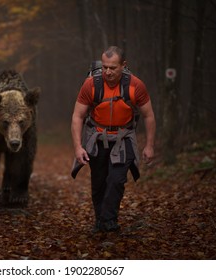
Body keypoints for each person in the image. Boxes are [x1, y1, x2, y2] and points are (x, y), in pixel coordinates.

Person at [71, 46, 156, 233]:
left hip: (123, 138)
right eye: (105, 67)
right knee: (99, 181)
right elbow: (77, 116)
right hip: (97, 138)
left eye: (113, 67)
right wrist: (78, 147)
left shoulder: (135, 86)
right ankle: (100, 220)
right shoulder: (91, 85)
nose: (107, 72)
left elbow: (149, 115)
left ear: (123, 65)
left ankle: (108, 220)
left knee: (116, 180)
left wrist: (149, 145)